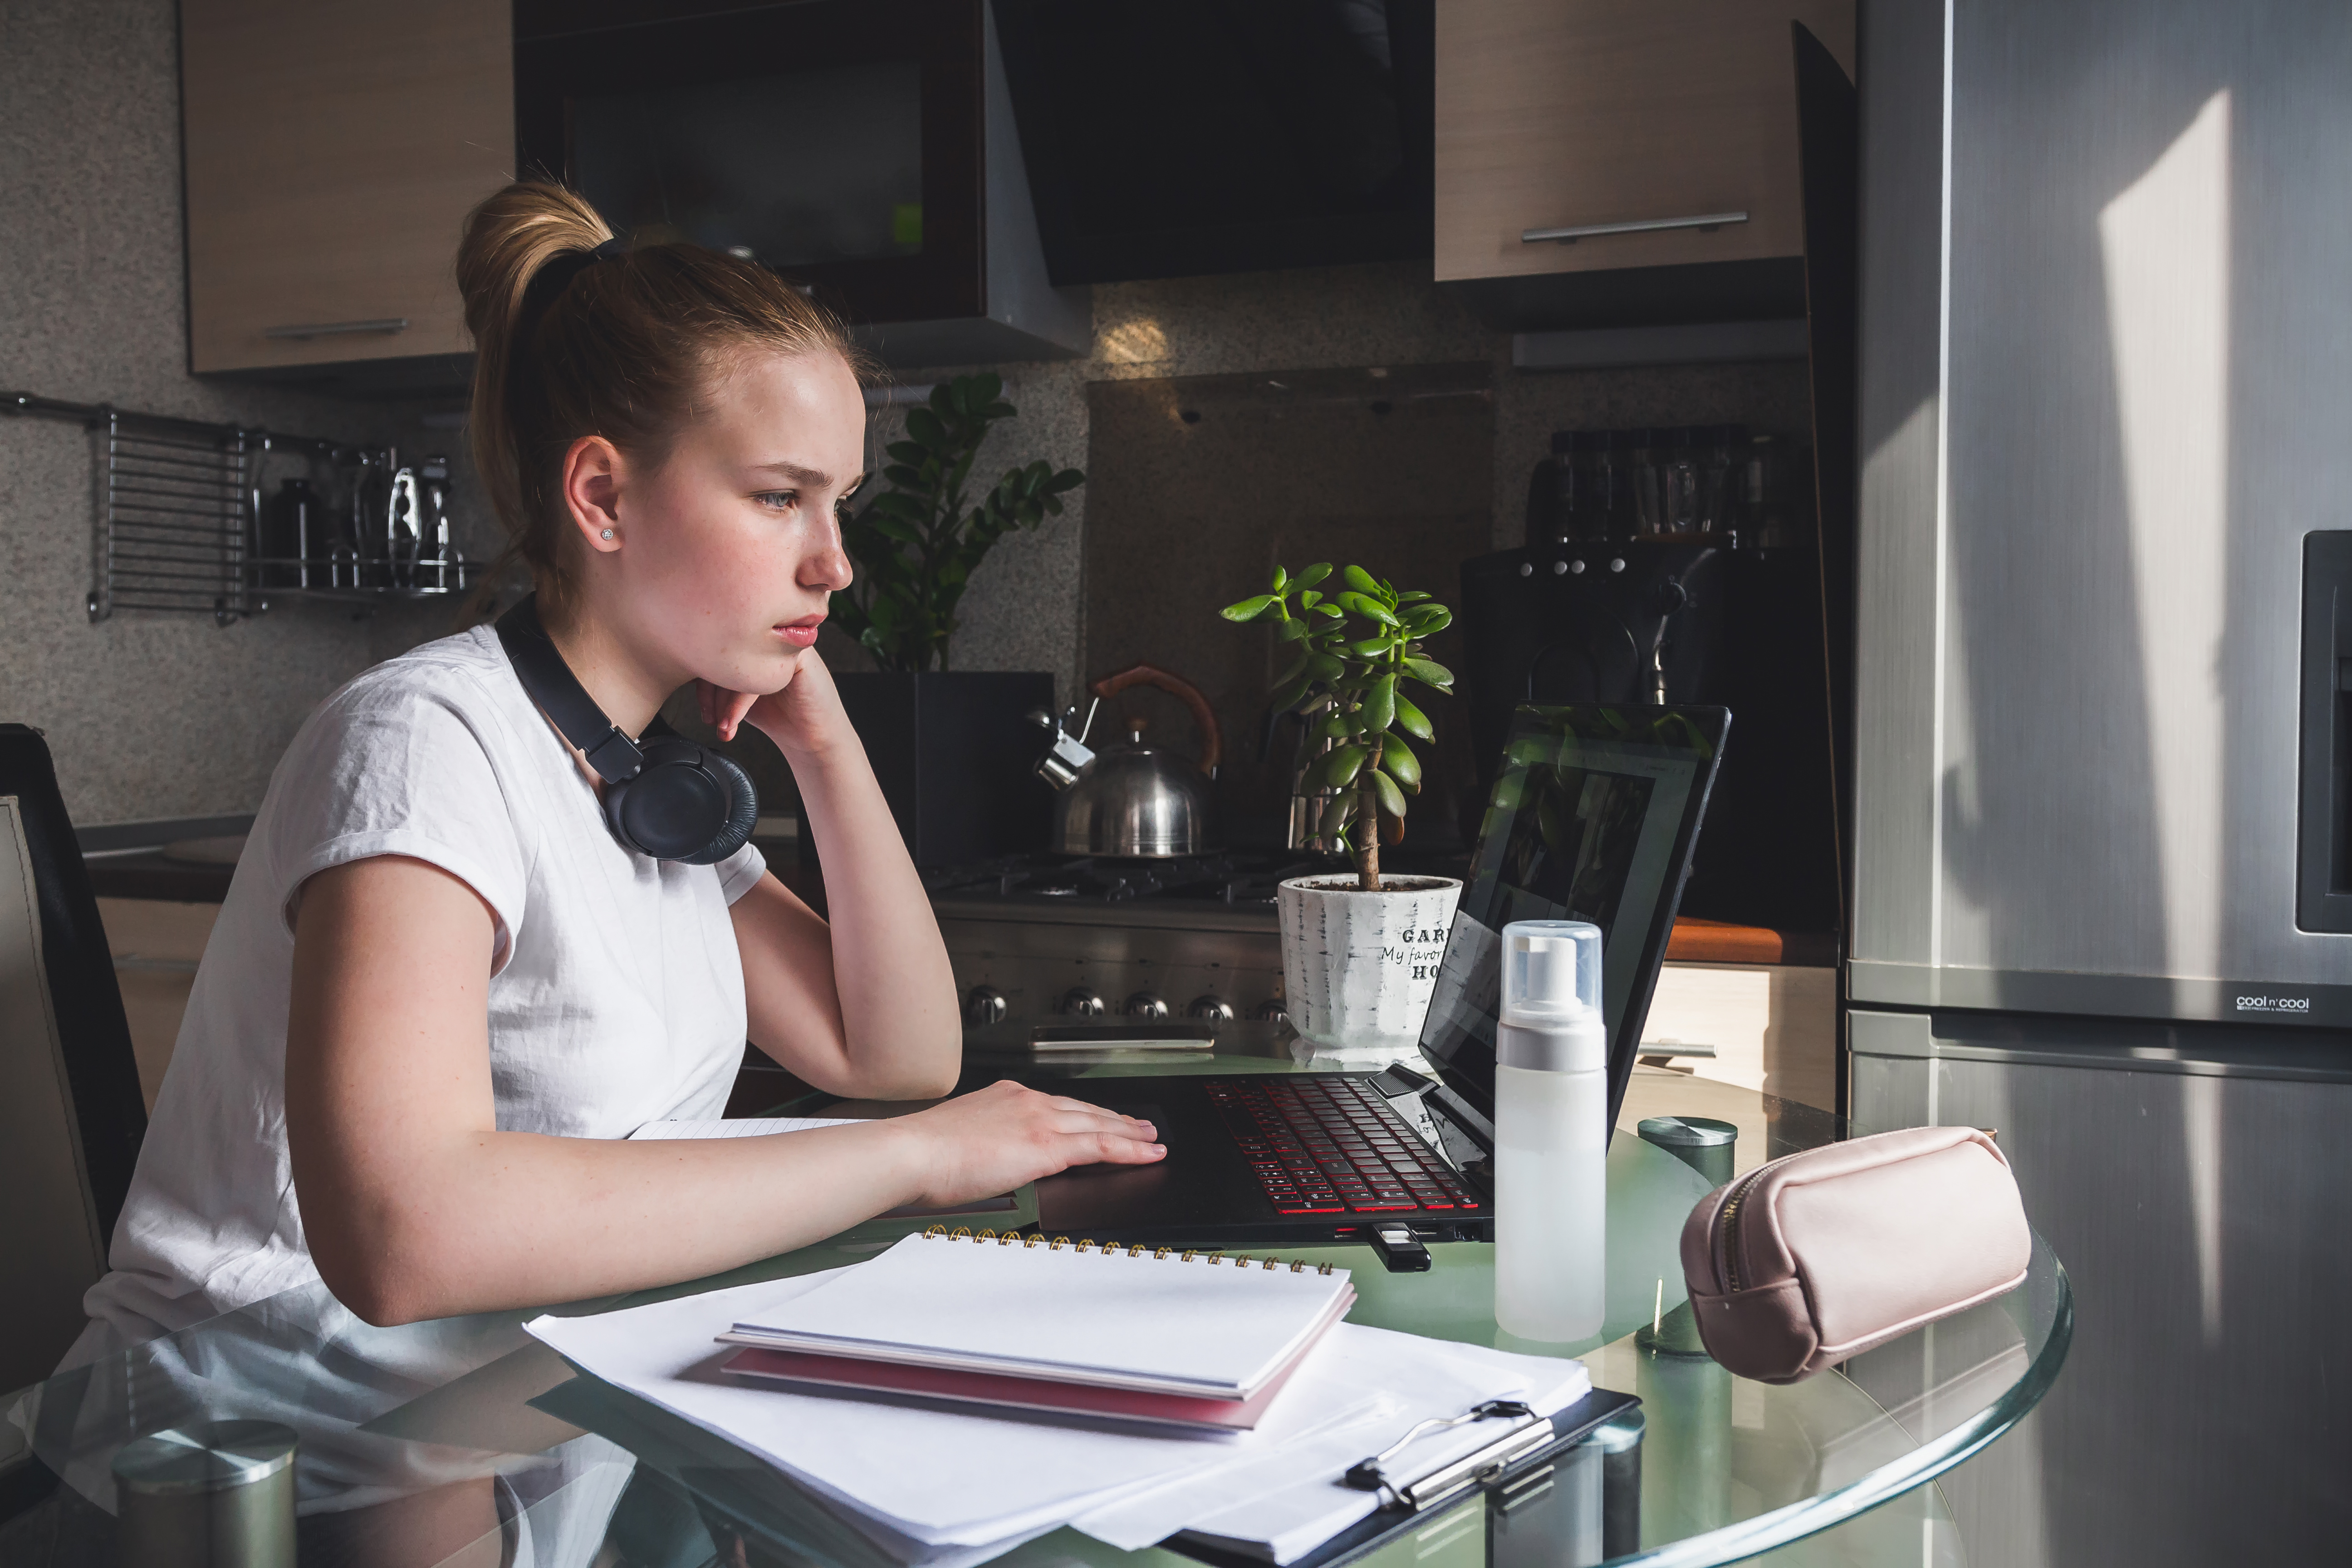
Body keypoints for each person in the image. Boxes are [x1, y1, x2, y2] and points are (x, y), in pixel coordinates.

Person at [69, 181, 1165, 1367]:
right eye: (778, 497)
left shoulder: (647, 783)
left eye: (836, 503)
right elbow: (403, 1240)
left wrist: (826, 744)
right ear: (602, 496)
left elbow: (896, 1057)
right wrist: (920, 1157)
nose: (835, 564)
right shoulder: (428, 743)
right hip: (260, 1434)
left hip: (502, 1407)